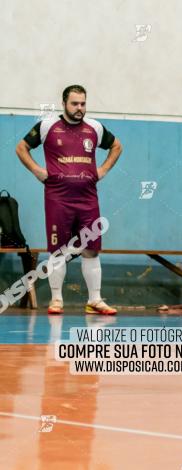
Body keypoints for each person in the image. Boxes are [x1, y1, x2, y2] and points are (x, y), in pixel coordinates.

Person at [15, 84, 123, 315]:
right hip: (58, 199)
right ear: (64, 103)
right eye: (74, 103)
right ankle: (57, 300)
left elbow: (116, 146)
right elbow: (22, 148)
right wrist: (37, 171)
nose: (79, 108)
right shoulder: (46, 126)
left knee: (91, 249)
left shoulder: (95, 127)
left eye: (83, 103)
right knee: (58, 250)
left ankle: (94, 300)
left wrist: (102, 169)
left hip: (88, 199)